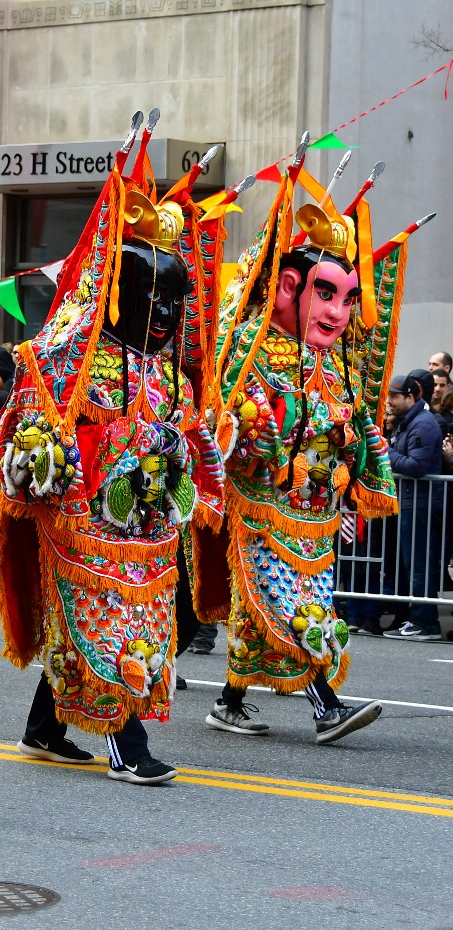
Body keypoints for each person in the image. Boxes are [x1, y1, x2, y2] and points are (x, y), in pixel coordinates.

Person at [0, 120, 226, 786]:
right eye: (153, 298)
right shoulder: (63, 361)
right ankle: (127, 741)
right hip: (85, 525)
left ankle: (45, 725)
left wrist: (197, 458)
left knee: (143, 622)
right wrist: (57, 455)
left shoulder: (169, 372)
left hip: (149, 525)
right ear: (113, 292)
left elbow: (195, 438)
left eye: (176, 299)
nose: (168, 314)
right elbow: (23, 437)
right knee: (105, 622)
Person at [206, 169, 403, 744]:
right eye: (325, 293)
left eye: (347, 299)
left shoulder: (337, 366)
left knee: (272, 607)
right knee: (285, 602)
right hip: (262, 505)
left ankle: (229, 700)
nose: (338, 313)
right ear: (289, 286)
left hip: (315, 514)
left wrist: (362, 473)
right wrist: (248, 423)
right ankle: (326, 705)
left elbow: (356, 425)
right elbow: (226, 415)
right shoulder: (250, 347)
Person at [383, 373, 444, 640]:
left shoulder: (423, 424)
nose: (389, 402)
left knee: (419, 564)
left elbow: (416, 466)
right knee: (412, 564)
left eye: (394, 397)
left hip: (421, 504)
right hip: (411, 502)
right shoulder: (410, 421)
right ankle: (418, 618)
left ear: (410, 397)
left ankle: (425, 621)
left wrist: (387, 452)